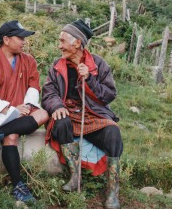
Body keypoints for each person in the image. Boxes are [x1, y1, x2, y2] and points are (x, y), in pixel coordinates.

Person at [41, 19, 123, 209]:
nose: (59, 46)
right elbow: (48, 92)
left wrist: (90, 79)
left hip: (92, 114)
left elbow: (109, 95)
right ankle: (75, 175)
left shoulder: (98, 64)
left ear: (77, 42)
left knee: (113, 132)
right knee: (60, 121)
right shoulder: (57, 65)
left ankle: (112, 191)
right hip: (68, 112)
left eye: (62, 41)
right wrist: (56, 106)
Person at [0, 20, 49, 202]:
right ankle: (18, 185)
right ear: (6, 39)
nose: (24, 41)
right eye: (20, 37)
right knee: (12, 136)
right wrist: (9, 108)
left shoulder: (28, 60)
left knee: (43, 114)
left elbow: (33, 86)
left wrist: (27, 106)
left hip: (23, 111)